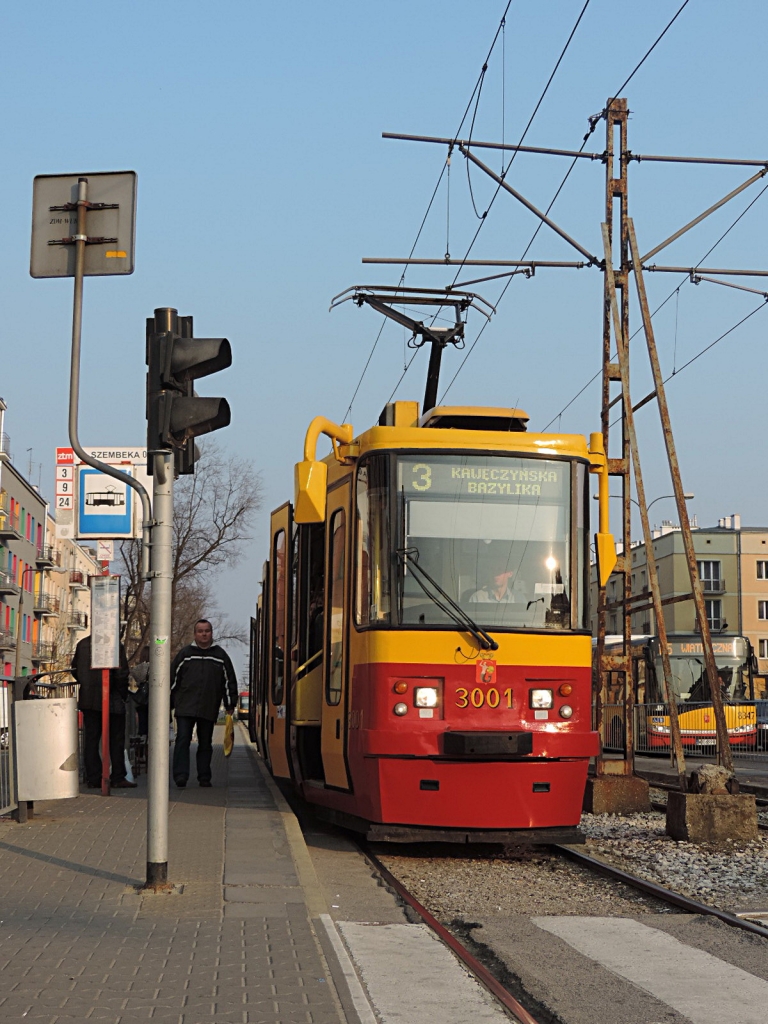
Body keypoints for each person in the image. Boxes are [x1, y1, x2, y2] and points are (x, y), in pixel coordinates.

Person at [170, 619, 237, 788]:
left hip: (208, 706)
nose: (204, 634)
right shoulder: (185, 654)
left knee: (205, 742)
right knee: (183, 739)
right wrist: (168, 704)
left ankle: (204, 776)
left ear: (211, 633)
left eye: (207, 630)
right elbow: (172, 680)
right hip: (185, 706)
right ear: (195, 634)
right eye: (200, 631)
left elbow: (229, 681)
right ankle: (180, 776)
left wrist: (230, 704)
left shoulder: (220, 656)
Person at [72, 634, 136, 789]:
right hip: (112, 698)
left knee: (91, 740)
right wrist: (122, 694)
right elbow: (121, 674)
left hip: (89, 698)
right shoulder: (114, 644)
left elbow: (75, 669)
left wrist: (86, 684)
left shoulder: (83, 644)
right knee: (116, 739)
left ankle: (94, 777)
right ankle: (117, 776)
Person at [129, 645, 150, 738]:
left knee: (142, 725)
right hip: (153, 699)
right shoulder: (156, 667)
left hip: (142, 699)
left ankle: (142, 747)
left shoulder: (138, 668)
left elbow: (137, 678)